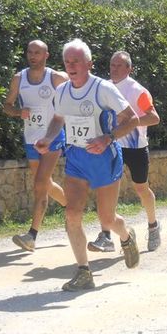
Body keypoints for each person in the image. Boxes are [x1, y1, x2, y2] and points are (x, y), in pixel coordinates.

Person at [35, 39, 140, 291]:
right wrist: (48, 139)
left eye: (76, 61)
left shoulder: (102, 89)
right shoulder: (61, 91)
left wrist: (108, 137)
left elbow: (132, 120)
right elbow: (58, 119)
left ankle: (126, 236)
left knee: (107, 219)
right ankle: (84, 271)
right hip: (77, 159)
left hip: (105, 158)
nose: (71, 66)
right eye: (67, 62)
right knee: (72, 213)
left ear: (89, 64)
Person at [87, 51, 161, 253]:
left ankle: (153, 226)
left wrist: (131, 121)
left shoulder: (138, 90)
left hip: (136, 147)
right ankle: (106, 236)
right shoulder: (104, 87)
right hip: (112, 146)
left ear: (129, 69)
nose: (114, 69)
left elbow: (154, 118)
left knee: (141, 189)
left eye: (119, 65)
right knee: (105, 189)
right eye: (112, 65)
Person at [3, 40, 68, 251]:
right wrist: (17, 112)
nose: (32, 56)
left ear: (46, 55)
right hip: (31, 138)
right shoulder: (19, 79)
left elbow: (73, 97)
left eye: (37, 52)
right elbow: (7, 106)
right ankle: (72, 207)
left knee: (40, 183)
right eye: (30, 52)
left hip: (53, 138)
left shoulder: (56, 78)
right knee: (45, 183)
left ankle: (31, 235)